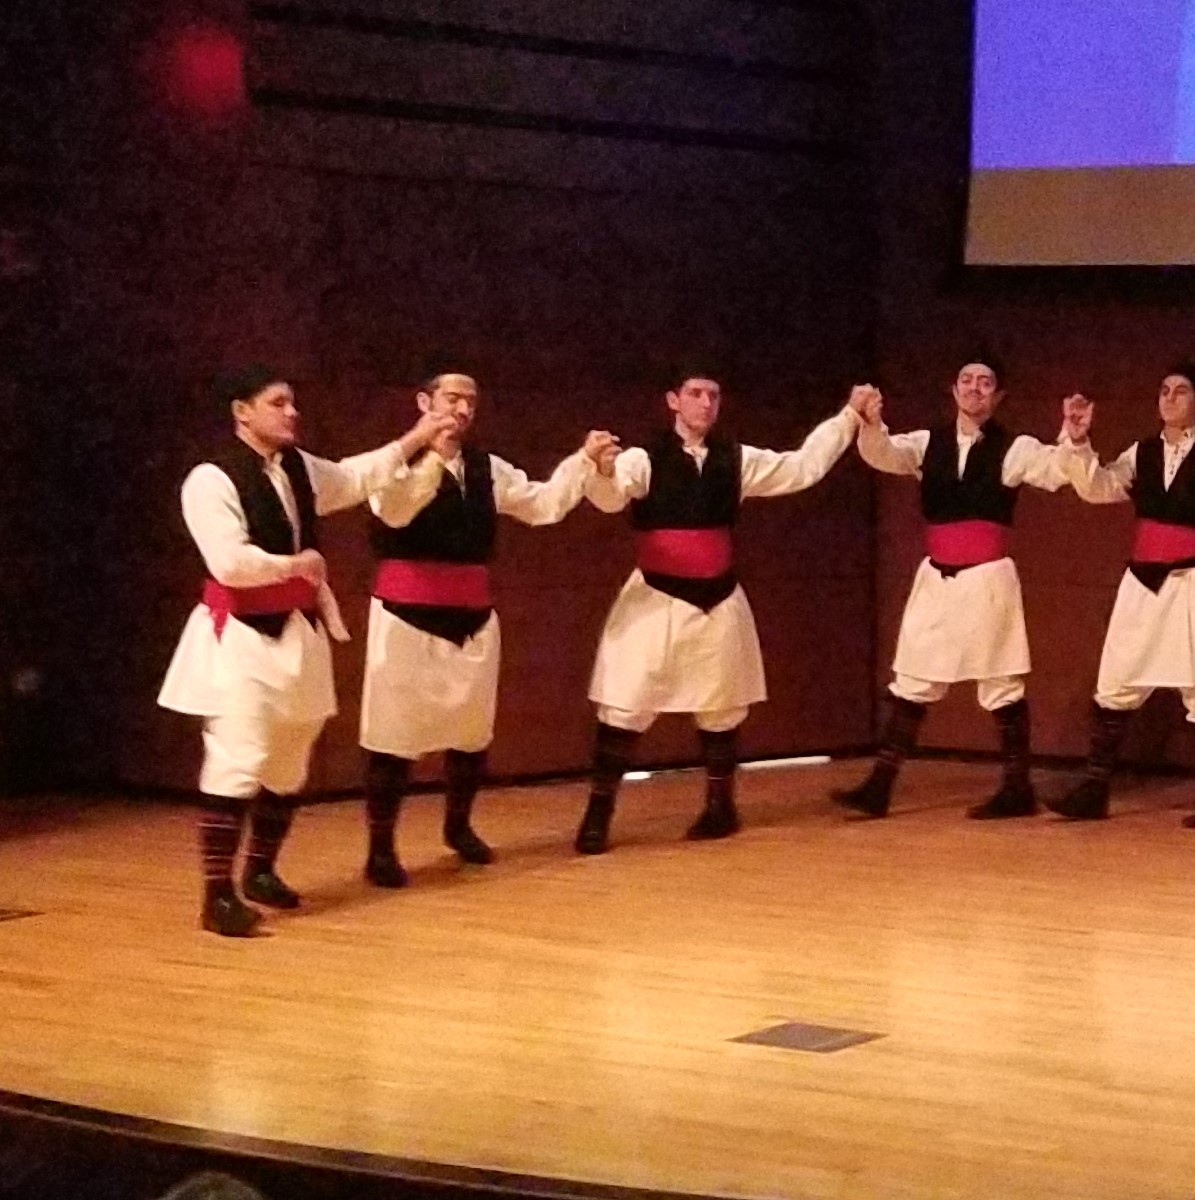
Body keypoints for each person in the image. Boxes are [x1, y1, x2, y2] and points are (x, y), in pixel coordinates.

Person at [159, 368, 451, 936]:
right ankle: (216, 894)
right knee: (238, 755)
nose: (292, 412)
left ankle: (260, 871)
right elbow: (228, 561)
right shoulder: (210, 478)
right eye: (278, 402)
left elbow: (352, 478)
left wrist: (419, 437)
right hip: (240, 634)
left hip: (296, 628)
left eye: (293, 402)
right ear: (242, 411)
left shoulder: (296, 467)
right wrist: (296, 565)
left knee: (291, 756)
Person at [573, 371, 864, 852]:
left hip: (719, 598)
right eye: (694, 394)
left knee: (721, 707)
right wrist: (600, 470)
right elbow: (609, 498)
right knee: (624, 705)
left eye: (713, 396)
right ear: (673, 400)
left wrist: (848, 418)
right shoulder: (642, 459)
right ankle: (597, 816)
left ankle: (720, 807)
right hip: (656, 597)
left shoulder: (736, 458)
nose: (705, 403)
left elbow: (801, 468)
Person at [355, 368, 614, 888]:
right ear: (424, 400)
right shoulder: (392, 464)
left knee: (470, 734)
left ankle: (458, 827)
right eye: (452, 398)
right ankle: (380, 849)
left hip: (472, 617)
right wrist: (430, 454)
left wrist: (582, 463)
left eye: (470, 401)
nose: (462, 410)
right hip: (405, 615)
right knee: (392, 735)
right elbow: (397, 513)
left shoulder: (487, 468)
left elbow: (542, 505)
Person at [836, 356, 1077, 821]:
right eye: (967, 381)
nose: (975, 389)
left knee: (1001, 682)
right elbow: (882, 453)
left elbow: (1055, 470)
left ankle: (1017, 788)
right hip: (937, 576)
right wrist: (871, 421)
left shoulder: (1015, 447)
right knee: (913, 678)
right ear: (953, 390)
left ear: (998, 395)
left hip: (988, 576)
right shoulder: (928, 444)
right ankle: (879, 786)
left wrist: (1071, 434)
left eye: (985, 383)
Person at [1047, 361, 1195, 827]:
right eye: (1164, 390)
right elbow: (1099, 488)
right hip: (1143, 582)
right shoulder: (1141, 453)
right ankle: (1094, 789)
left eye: (1181, 391)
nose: (1170, 398)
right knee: (1116, 682)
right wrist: (1077, 441)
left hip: (1193, 582)